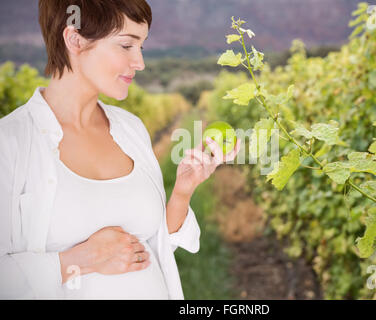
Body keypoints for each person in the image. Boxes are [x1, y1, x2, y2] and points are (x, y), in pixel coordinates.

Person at [0, 0, 241, 299]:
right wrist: (77, 261)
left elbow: (151, 245)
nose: (139, 62)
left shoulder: (130, 128)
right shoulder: (9, 143)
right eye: (126, 45)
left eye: (142, 47)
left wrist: (182, 191)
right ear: (74, 39)